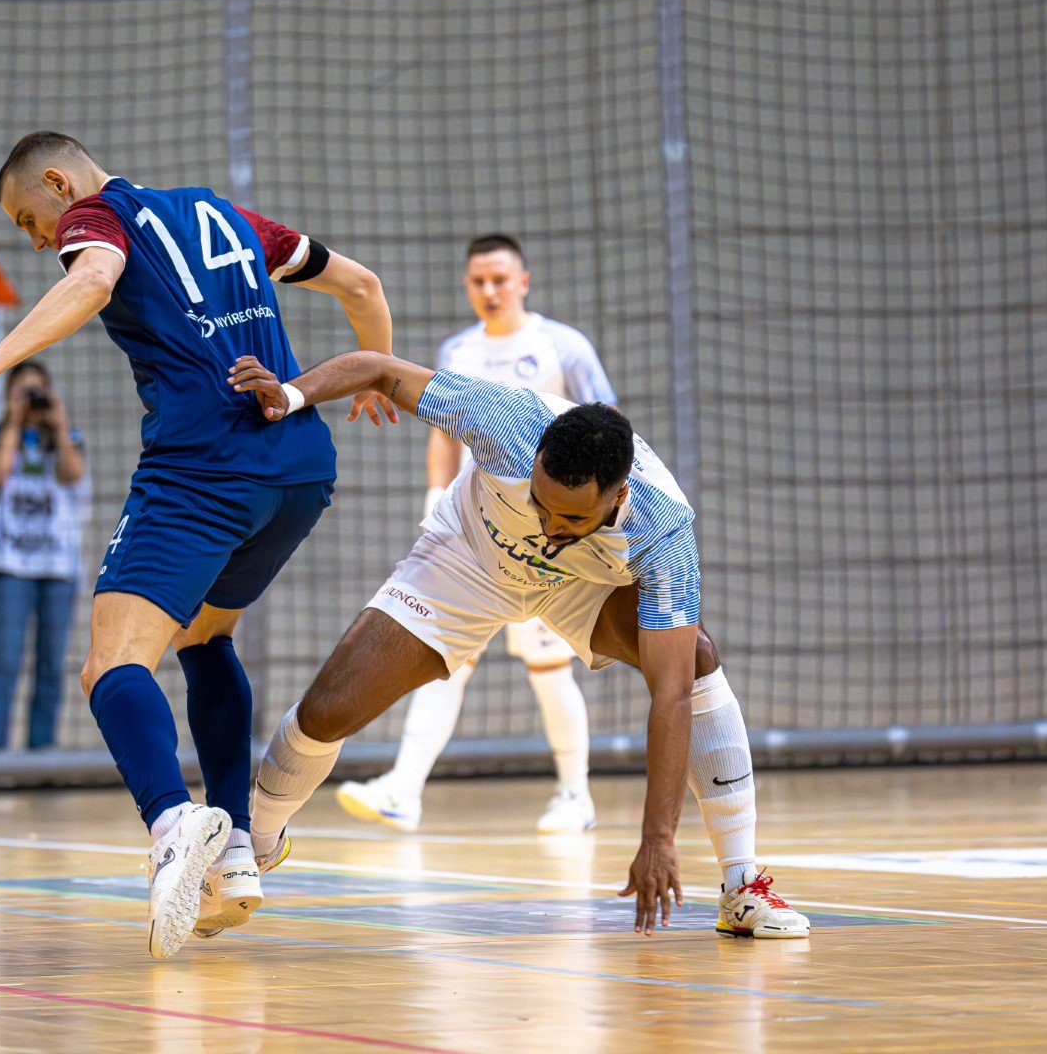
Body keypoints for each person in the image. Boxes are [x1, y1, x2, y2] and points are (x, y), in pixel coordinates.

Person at [0, 131, 395, 959]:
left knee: (111, 663)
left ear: (58, 183)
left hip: (204, 468)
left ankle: (175, 826)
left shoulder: (96, 218)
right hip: (301, 468)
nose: (38, 242)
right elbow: (361, 283)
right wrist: (378, 377)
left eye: (31, 220)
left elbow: (95, 280)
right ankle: (237, 849)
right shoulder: (223, 214)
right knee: (205, 636)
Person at [228, 350, 810, 940]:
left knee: (697, 663)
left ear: (617, 496)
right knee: (328, 710)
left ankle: (742, 885)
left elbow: (671, 696)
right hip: (469, 561)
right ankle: (254, 844)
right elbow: (377, 368)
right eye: (541, 502)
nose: (551, 525)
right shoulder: (503, 421)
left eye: (571, 517)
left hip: (580, 586)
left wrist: (657, 840)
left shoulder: (663, 529)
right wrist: (293, 395)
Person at [337, 234, 618, 835]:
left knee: (547, 667)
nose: (488, 292)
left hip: (547, 536)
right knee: (445, 657)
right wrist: (434, 496)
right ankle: (404, 790)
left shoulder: (562, 347)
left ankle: (575, 795)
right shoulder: (457, 349)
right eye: (477, 282)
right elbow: (444, 433)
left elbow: (610, 433)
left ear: (523, 281)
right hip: (473, 529)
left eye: (499, 280)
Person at [0, 359, 88, 752]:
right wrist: (15, 420)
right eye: (23, 392)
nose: (32, 399)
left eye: (38, 391)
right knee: (5, 659)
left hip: (58, 569)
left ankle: (42, 748)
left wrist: (57, 423)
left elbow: (72, 473)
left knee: (51, 665)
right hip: (12, 566)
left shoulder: (66, 437)